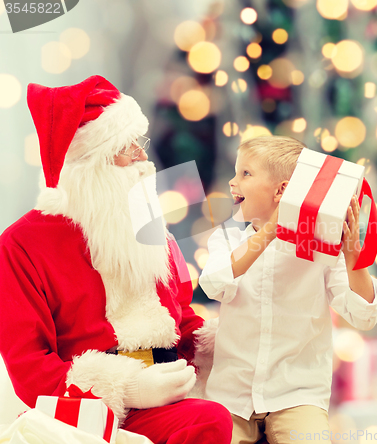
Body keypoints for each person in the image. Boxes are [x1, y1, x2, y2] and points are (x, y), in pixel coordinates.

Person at [0, 76, 232, 444]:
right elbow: (30, 369)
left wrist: (226, 339)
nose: (143, 158)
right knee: (209, 421)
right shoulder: (21, 244)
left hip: (169, 397)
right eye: (127, 147)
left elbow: (178, 318)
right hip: (86, 414)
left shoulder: (146, 227)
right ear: (90, 164)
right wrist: (129, 388)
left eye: (140, 144)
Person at [199, 136, 377, 444]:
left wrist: (353, 258)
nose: (232, 182)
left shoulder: (323, 250)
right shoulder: (228, 240)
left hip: (297, 394)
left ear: (282, 191)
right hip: (231, 396)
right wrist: (272, 229)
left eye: (245, 173)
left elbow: (364, 316)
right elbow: (214, 284)